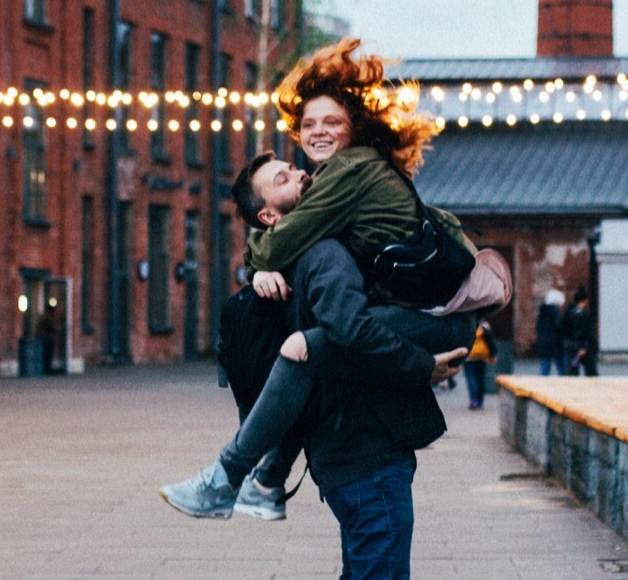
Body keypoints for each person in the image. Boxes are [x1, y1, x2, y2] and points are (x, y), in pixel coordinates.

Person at [162, 38, 505, 520]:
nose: (317, 132)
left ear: (354, 127)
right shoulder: (341, 178)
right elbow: (284, 234)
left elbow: (280, 238)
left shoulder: (351, 169)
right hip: (429, 316)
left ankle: (231, 477)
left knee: (303, 350)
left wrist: (259, 261)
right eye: (308, 125)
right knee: (311, 355)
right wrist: (262, 264)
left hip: (437, 322)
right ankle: (263, 481)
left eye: (331, 121)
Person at [276, 234, 461, 580]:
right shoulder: (326, 251)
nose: (303, 177)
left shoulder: (297, 251)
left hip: (344, 449)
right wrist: (423, 364)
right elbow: (351, 334)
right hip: (362, 450)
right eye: (284, 175)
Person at [562, 288, 596, 375]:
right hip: (582, 346)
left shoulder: (568, 313)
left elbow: (564, 330)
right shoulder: (583, 315)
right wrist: (583, 347)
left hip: (570, 346)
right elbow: (585, 332)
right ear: (584, 301)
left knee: (572, 370)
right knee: (590, 371)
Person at [535, 288, 567, 375]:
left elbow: (538, 327)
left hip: (544, 343)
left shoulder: (542, 312)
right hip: (556, 343)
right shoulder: (555, 312)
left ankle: (543, 383)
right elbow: (559, 326)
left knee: (545, 366)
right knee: (561, 367)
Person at [464, 320, 493, 409]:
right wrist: (493, 354)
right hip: (481, 356)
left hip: (469, 356)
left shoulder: (466, 326)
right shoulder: (484, 327)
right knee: (480, 378)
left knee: (471, 378)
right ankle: (480, 401)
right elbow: (490, 342)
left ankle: (474, 400)